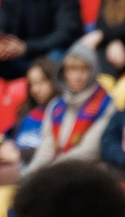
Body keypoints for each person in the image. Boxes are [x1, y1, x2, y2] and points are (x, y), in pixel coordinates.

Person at [0, 57, 60, 189]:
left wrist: (19, 155)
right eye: (32, 84)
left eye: (41, 82)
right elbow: (8, 136)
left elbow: (55, 150)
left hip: (32, 165)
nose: (35, 90)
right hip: (9, 160)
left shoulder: (62, 111)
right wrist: (1, 146)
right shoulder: (28, 111)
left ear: (55, 81)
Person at [26, 45, 114, 175]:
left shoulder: (106, 104)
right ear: (64, 73)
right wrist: (30, 173)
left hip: (90, 171)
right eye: (71, 70)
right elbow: (47, 146)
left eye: (83, 70)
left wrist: (51, 171)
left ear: (93, 72)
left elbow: (90, 151)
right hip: (55, 170)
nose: (77, 77)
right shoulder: (56, 105)